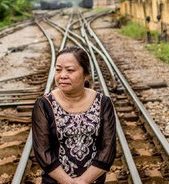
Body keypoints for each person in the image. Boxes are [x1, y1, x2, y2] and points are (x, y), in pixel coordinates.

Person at [32, 46, 117, 183]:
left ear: (86, 74)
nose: (62, 75)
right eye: (58, 70)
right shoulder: (44, 104)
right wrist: (69, 182)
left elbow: (108, 149)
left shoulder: (103, 103)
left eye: (70, 70)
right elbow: (42, 151)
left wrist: (83, 180)